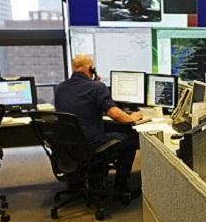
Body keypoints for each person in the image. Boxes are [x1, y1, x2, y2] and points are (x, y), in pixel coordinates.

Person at [54, 54, 143, 194]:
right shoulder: (97, 87)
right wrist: (133, 117)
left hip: (70, 147)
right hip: (93, 145)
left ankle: (86, 181)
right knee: (130, 140)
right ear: (91, 68)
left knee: (109, 132)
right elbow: (115, 115)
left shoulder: (60, 88)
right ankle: (121, 187)